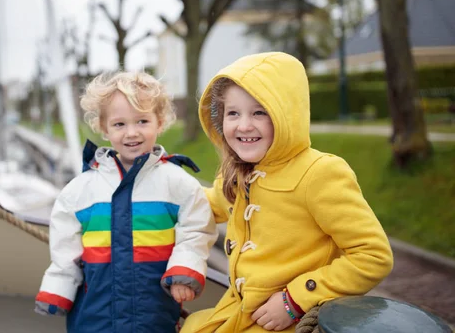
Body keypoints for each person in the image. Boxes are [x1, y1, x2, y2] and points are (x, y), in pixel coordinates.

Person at [181, 52, 394, 332]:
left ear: (287, 114)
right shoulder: (236, 173)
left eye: (259, 112)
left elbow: (373, 255)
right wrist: (155, 196)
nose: (244, 125)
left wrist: (295, 299)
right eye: (233, 113)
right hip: (237, 312)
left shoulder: (320, 173)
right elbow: (207, 205)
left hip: (284, 321)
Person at [35, 71, 218, 333]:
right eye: (119, 124)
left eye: (142, 121)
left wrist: (184, 270)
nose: (131, 133)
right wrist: (58, 288)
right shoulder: (80, 190)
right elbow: (65, 246)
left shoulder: (178, 184)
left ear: (160, 122)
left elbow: (196, 230)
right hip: (93, 312)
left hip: (153, 312)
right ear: (103, 127)